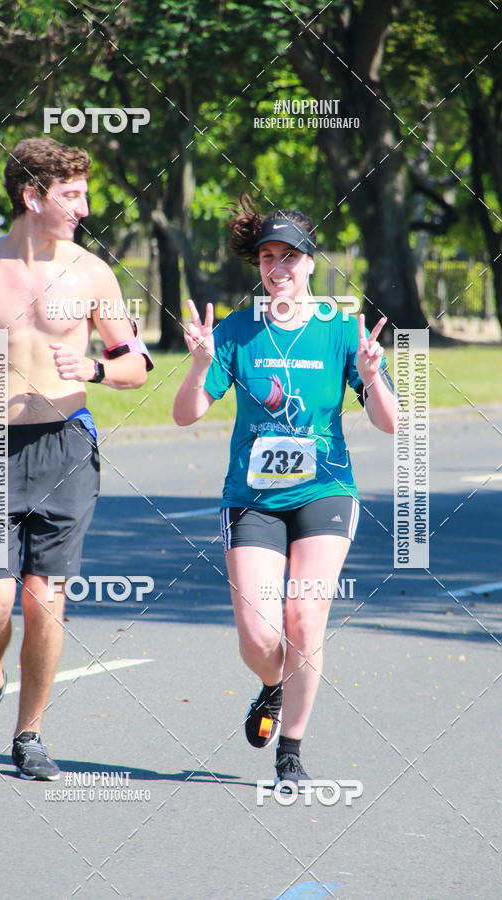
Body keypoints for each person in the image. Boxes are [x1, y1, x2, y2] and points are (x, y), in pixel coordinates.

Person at [0, 137, 152, 780]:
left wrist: (98, 367)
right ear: (31, 196)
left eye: (84, 193)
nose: (84, 206)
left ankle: (30, 733)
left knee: (45, 600)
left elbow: (136, 362)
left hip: (68, 444)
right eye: (71, 195)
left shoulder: (92, 272)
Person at [173, 196, 396, 790]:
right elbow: (185, 415)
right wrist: (199, 365)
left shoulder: (341, 330)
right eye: (268, 258)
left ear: (309, 263)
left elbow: (392, 423)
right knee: (259, 634)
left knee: (305, 614)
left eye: (289, 258)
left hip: (325, 488)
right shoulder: (239, 330)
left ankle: (291, 749)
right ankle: (273, 684)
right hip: (252, 498)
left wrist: (372, 375)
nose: (278, 269)